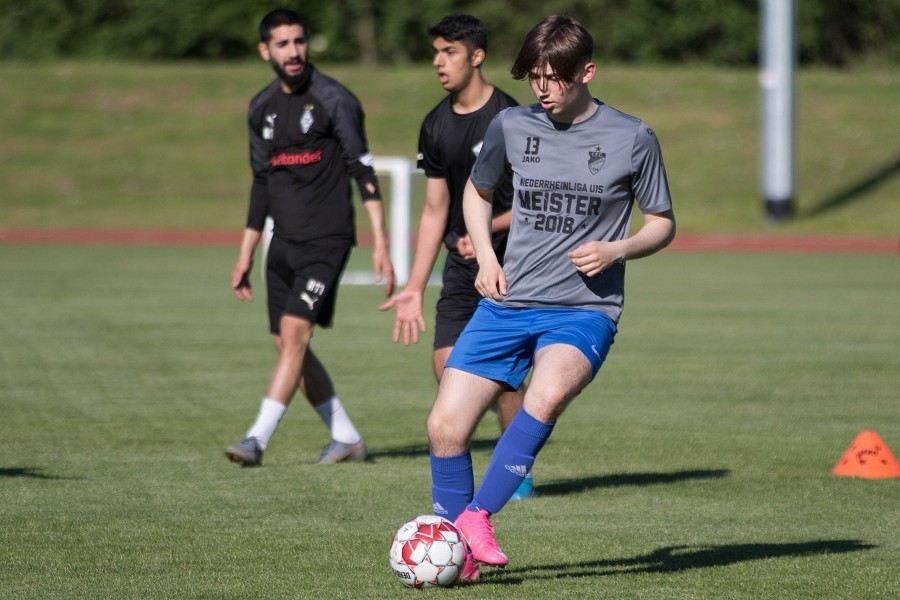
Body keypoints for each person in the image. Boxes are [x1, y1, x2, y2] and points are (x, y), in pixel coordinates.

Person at [425, 15, 676, 578]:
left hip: (585, 310)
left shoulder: (633, 137)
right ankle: (460, 554)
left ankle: (473, 520)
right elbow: (476, 191)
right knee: (444, 426)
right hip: (509, 302)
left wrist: (619, 250)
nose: (540, 88)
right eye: (533, 76)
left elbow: (662, 221)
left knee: (545, 395)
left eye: (552, 77)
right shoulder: (513, 125)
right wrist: (487, 258)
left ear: (586, 72)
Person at [225, 9, 394, 467]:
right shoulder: (260, 108)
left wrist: (381, 241)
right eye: (282, 44)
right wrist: (245, 254)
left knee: (295, 334)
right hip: (282, 245)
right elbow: (261, 185)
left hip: (327, 241)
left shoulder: (334, 99)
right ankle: (347, 438)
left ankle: (256, 440)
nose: (294, 51)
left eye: (299, 41)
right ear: (266, 51)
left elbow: (363, 170)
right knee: (288, 345)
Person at [378, 14, 535, 502]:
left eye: (448, 51)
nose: (438, 62)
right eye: (436, 52)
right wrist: (413, 286)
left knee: (502, 378)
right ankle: (474, 463)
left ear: (477, 56)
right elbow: (433, 210)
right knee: (448, 367)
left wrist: (485, 228)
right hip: (462, 266)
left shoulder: (512, 118)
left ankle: (516, 473)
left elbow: (534, 201)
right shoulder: (435, 124)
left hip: (512, 263)